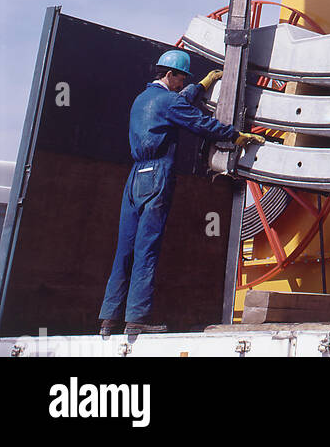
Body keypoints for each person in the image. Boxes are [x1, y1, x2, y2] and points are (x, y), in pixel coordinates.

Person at [98, 49, 262, 336]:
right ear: (170, 74)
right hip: (157, 175)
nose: (182, 82)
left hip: (135, 178)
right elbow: (199, 122)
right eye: (181, 77)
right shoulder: (168, 102)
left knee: (124, 249)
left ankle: (108, 319)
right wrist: (235, 136)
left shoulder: (143, 99)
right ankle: (137, 319)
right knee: (147, 247)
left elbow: (177, 103)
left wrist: (202, 85)